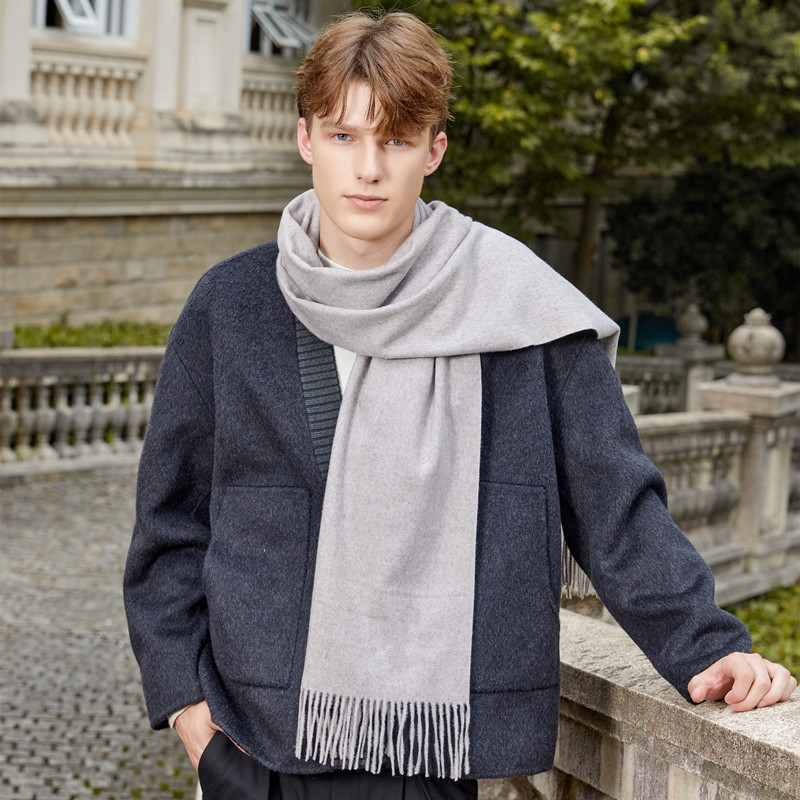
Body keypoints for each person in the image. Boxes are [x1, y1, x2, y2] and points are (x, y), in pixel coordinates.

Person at [123, 10, 796, 799]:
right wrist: (190, 712)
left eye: (395, 141)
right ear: (305, 139)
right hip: (255, 744)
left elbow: (614, 505)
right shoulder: (230, 307)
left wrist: (707, 645)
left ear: (433, 151)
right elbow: (170, 527)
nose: (367, 168)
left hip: (430, 752)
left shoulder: (522, 310)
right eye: (343, 136)